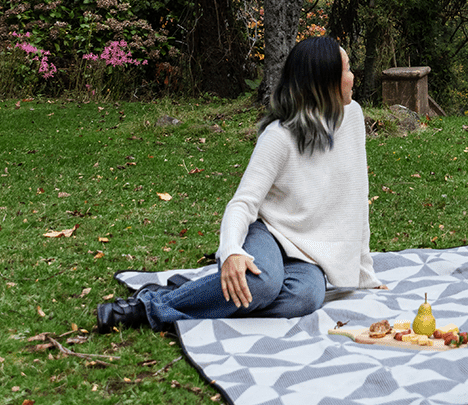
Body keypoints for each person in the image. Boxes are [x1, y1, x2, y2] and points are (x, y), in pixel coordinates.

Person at [96, 36, 382, 331]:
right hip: (266, 231)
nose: (353, 77)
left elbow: (357, 198)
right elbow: (243, 203)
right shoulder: (279, 137)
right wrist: (231, 249)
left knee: (305, 297)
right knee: (262, 285)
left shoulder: (353, 117)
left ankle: (187, 293)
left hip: (304, 250)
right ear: (327, 81)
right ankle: (147, 307)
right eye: (347, 70)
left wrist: (365, 275)